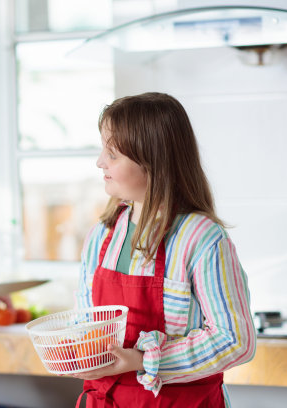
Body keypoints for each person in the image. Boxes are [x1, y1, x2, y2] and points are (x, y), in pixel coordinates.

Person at [72, 93, 256, 407]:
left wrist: (142, 360)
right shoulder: (101, 235)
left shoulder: (200, 237)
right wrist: (78, 350)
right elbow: (86, 323)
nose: (100, 161)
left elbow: (235, 340)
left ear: (152, 160)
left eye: (112, 153)